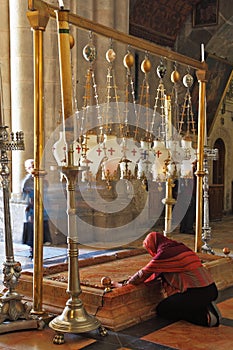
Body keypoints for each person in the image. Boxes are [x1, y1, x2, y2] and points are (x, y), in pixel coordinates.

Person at [114, 232, 221, 327]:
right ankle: (203, 304)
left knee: (163, 309)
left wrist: (126, 284)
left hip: (197, 293)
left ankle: (205, 317)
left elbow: (144, 273)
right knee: (177, 303)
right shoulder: (181, 247)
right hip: (211, 289)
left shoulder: (165, 254)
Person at [22, 159, 52, 258]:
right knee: (32, 233)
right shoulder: (27, 181)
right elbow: (25, 196)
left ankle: (39, 250)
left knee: (42, 231)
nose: (33, 169)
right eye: (30, 167)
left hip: (42, 209)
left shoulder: (43, 180)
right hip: (32, 210)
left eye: (34, 166)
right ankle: (32, 251)